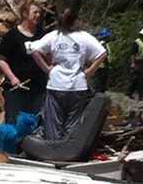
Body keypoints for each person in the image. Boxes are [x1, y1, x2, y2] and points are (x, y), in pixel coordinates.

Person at [27, 9, 107, 141]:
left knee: (54, 122)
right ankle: (69, 147)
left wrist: (47, 69)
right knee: (73, 122)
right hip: (78, 85)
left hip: (57, 84)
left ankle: (54, 147)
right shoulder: (85, 37)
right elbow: (102, 53)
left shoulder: (55, 35)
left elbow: (32, 48)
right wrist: (90, 71)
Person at [0, 3, 45, 124]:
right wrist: (13, 78)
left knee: (33, 123)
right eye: (35, 12)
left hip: (38, 88)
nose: (38, 15)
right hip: (17, 88)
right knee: (14, 123)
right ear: (25, 14)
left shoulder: (43, 35)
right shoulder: (12, 36)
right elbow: (2, 60)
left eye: (40, 13)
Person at [129, 26, 143, 99]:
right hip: (137, 62)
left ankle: (129, 93)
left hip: (142, 62)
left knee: (136, 79)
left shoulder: (142, 43)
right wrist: (133, 63)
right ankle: (141, 96)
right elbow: (132, 54)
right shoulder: (137, 42)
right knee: (140, 80)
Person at [94, 27, 113, 93]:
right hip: (102, 66)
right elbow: (103, 56)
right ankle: (99, 95)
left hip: (104, 65)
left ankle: (100, 94)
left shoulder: (104, 44)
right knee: (101, 82)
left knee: (102, 82)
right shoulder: (102, 44)